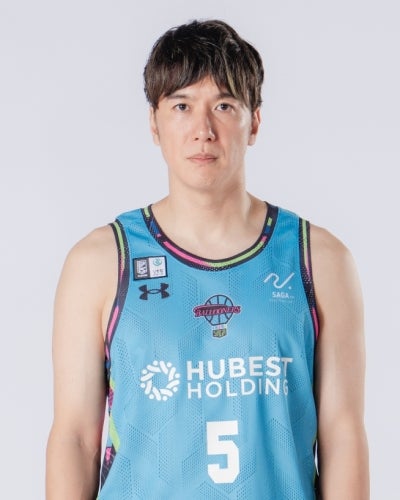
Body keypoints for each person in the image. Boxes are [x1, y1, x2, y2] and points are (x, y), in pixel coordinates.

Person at [46, 19, 369, 499]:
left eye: (224, 106)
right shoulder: (100, 262)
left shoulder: (319, 260)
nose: (203, 131)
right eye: (182, 106)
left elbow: (342, 435)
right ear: (154, 123)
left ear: (254, 122)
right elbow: (76, 438)